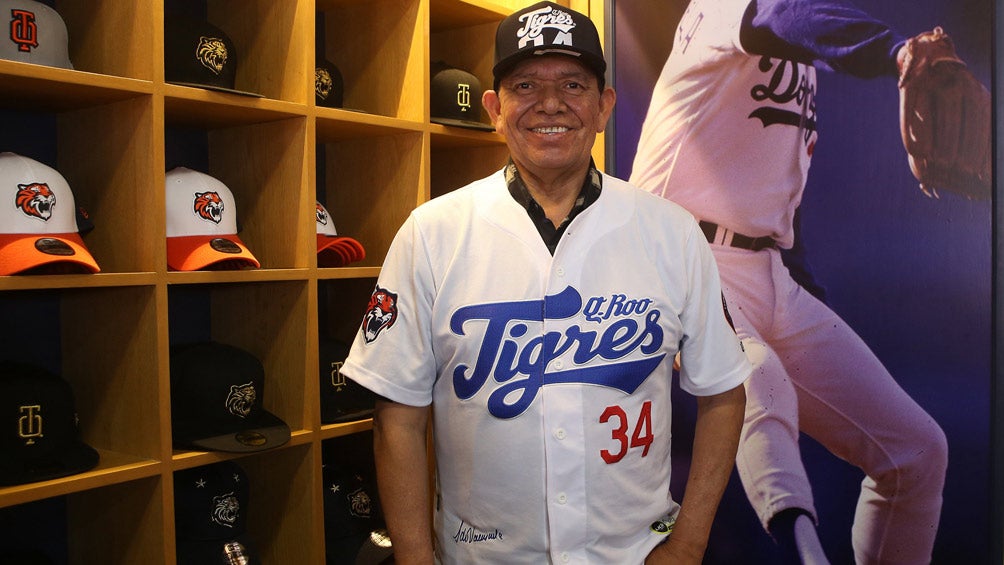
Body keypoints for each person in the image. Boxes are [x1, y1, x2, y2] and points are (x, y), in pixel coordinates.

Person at [340, 2, 752, 563]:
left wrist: (689, 543)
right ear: (495, 108)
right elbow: (398, 419)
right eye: (525, 83)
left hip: (632, 552)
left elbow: (725, 392)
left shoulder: (671, 232)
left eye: (574, 84)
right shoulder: (432, 234)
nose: (551, 103)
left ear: (604, 106)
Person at [629, 0, 954, 563]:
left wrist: (806, 302)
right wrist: (896, 50)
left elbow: (780, 189)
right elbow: (785, 16)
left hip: (767, 271)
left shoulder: (798, 61)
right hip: (675, 255)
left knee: (917, 453)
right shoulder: (721, 10)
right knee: (759, 375)